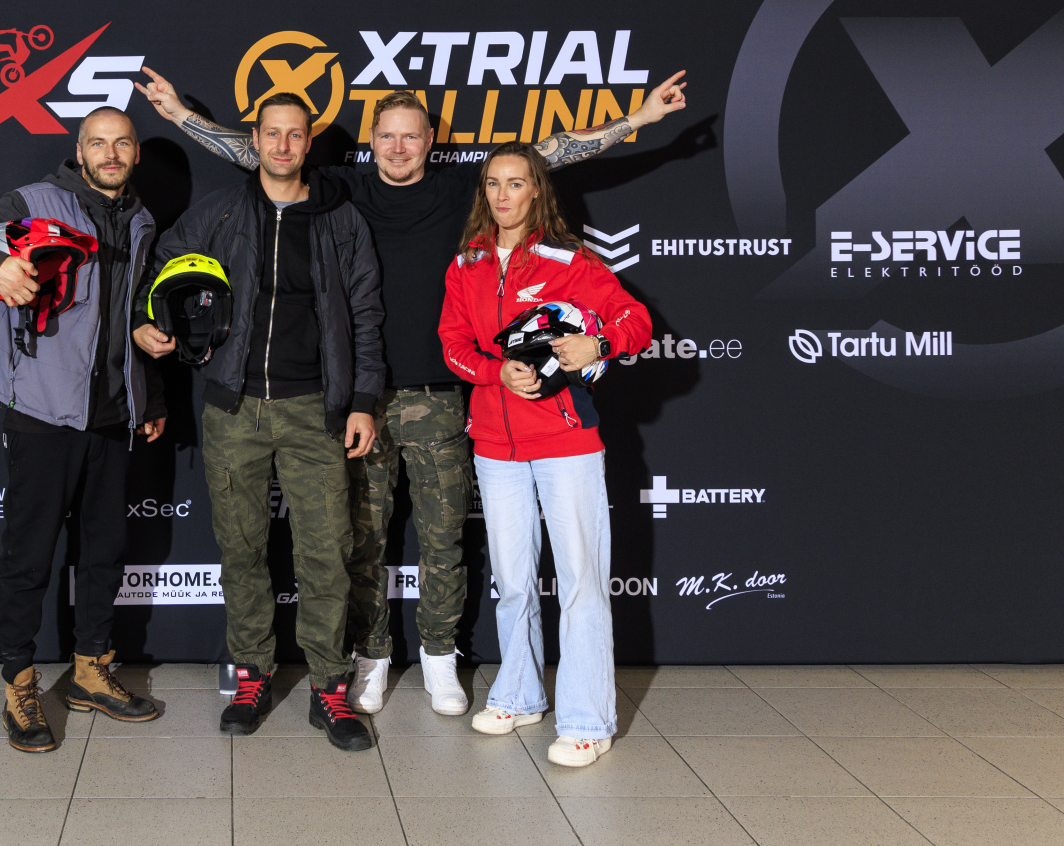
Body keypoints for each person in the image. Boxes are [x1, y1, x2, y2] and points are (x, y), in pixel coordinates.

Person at [136, 69, 686, 715]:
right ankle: (370, 657)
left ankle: (439, 659)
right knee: (361, 541)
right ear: (372, 142)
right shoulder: (341, 187)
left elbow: (544, 155)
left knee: (443, 539)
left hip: (440, 397)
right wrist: (180, 115)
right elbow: (262, 153)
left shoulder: (465, 190)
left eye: (411, 137)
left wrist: (638, 120)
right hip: (356, 399)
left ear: (430, 142)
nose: (398, 148)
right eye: (387, 137)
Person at [134, 92, 385, 751]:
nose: (282, 146)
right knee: (242, 549)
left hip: (315, 409)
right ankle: (252, 676)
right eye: (272, 134)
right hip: (233, 409)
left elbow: (365, 311)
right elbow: (162, 267)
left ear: (309, 142)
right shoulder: (221, 209)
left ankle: (330, 688)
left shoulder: (340, 217)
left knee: (326, 552)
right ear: (255, 139)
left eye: (294, 135)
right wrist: (157, 321)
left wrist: (362, 399)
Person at [0, 107, 166, 754]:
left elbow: (132, 311)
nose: (110, 153)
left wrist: (148, 392)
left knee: (104, 552)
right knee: (29, 555)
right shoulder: (34, 201)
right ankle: (20, 682)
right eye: (98, 143)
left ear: (136, 153)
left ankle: (91, 671)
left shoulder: (143, 220)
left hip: (112, 413)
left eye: (122, 143)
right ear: (79, 149)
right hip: (41, 410)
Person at [438, 141, 650, 766]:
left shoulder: (570, 261)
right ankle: (521, 694)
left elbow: (635, 322)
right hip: (494, 445)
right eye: (493, 184)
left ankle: (587, 720)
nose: (503, 195)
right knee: (512, 582)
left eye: (516, 183)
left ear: (537, 190)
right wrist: (495, 373)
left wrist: (599, 345)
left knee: (581, 582)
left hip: (564, 442)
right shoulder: (467, 264)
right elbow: (453, 343)